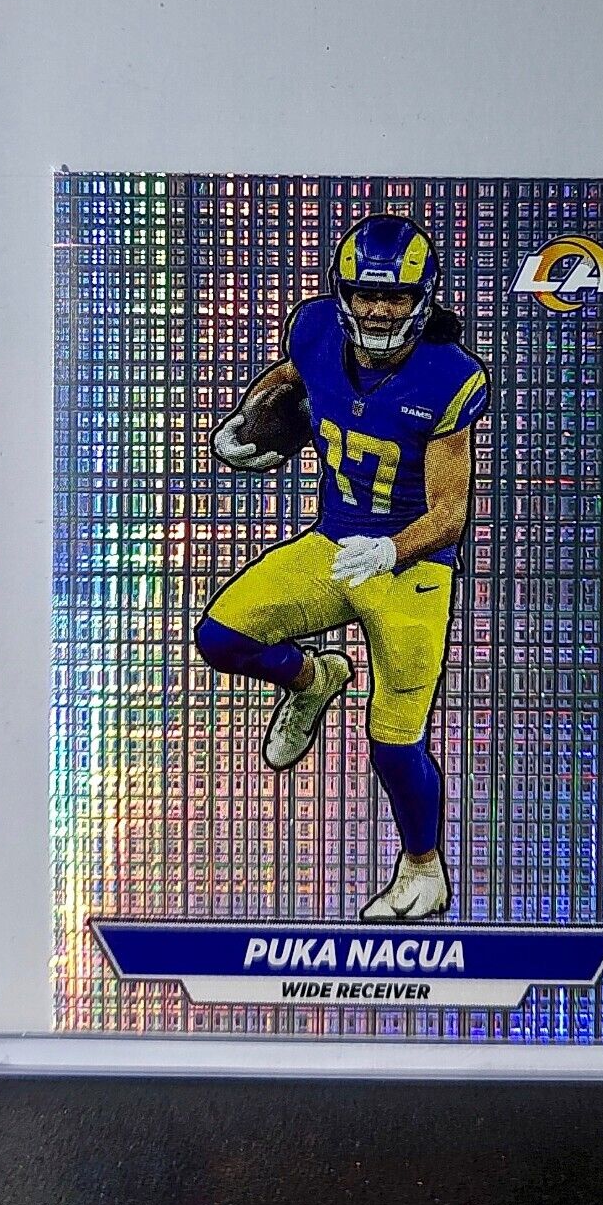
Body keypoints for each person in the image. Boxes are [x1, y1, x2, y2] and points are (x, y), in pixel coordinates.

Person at [194, 213, 488, 920]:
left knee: (394, 744)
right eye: (366, 294)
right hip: (332, 544)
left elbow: (451, 512)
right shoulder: (317, 327)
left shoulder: (448, 376)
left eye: (396, 296)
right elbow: (296, 373)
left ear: (423, 298)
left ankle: (423, 869)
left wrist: (390, 550)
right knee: (221, 638)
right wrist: (255, 413)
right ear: (343, 293)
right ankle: (314, 679)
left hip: (412, 568)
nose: (379, 309)